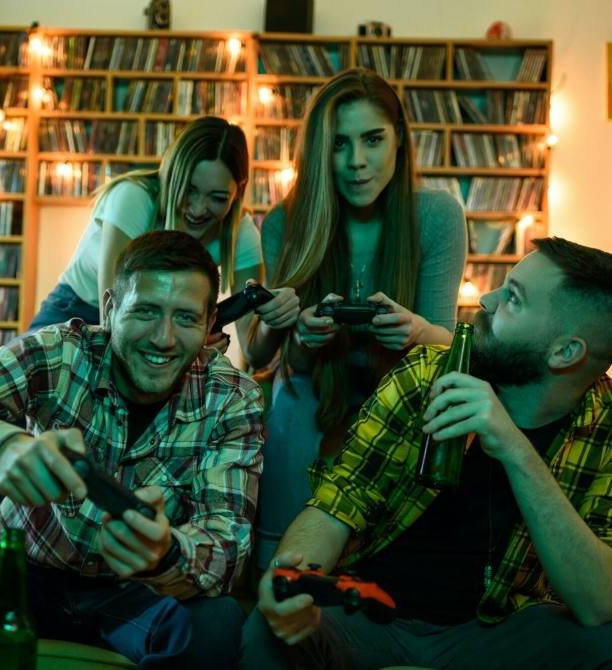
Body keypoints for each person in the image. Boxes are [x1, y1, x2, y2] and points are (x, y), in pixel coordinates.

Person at [241, 237, 612, 670]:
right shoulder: (427, 373)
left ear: (566, 352)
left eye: (513, 299)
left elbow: (598, 602)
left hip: (496, 632)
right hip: (374, 614)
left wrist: (513, 448)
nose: (487, 300)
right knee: (267, 631)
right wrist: (295, 582)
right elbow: (340, 500)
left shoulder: (603, 431)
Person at [0, 230, 264, 669]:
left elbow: (229, 542)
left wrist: (167, 552)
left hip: (136, 596)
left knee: (218, 621)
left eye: (186, 319)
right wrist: (4, 447)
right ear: (111, 307)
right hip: (18, 577)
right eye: (147, 311)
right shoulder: (58, 352)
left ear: (211, 322)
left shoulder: (231, 396)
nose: (164, 339)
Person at [248, 68, 467, 567]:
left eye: (373, 139)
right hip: (315, 391)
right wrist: (303, 335)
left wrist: (415, 331)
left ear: (400, 140)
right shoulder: (286, 221)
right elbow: (290, 365)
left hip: (402, 397)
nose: (357, 162)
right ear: (319, 152)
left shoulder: (437, 216)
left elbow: (445, 344)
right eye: (339, 144)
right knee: (289, 409)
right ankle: (276, 573)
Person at [29, 115, 299, 357]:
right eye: (189, 190)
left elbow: (254, 352)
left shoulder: (242, 234)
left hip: (149, 323)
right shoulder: (134, 197)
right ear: (171, 176)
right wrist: (190, 343)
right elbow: (113, 321)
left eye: (217, 198)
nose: (198, 209)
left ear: (238, 192)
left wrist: (273, 321)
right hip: (77, 311)